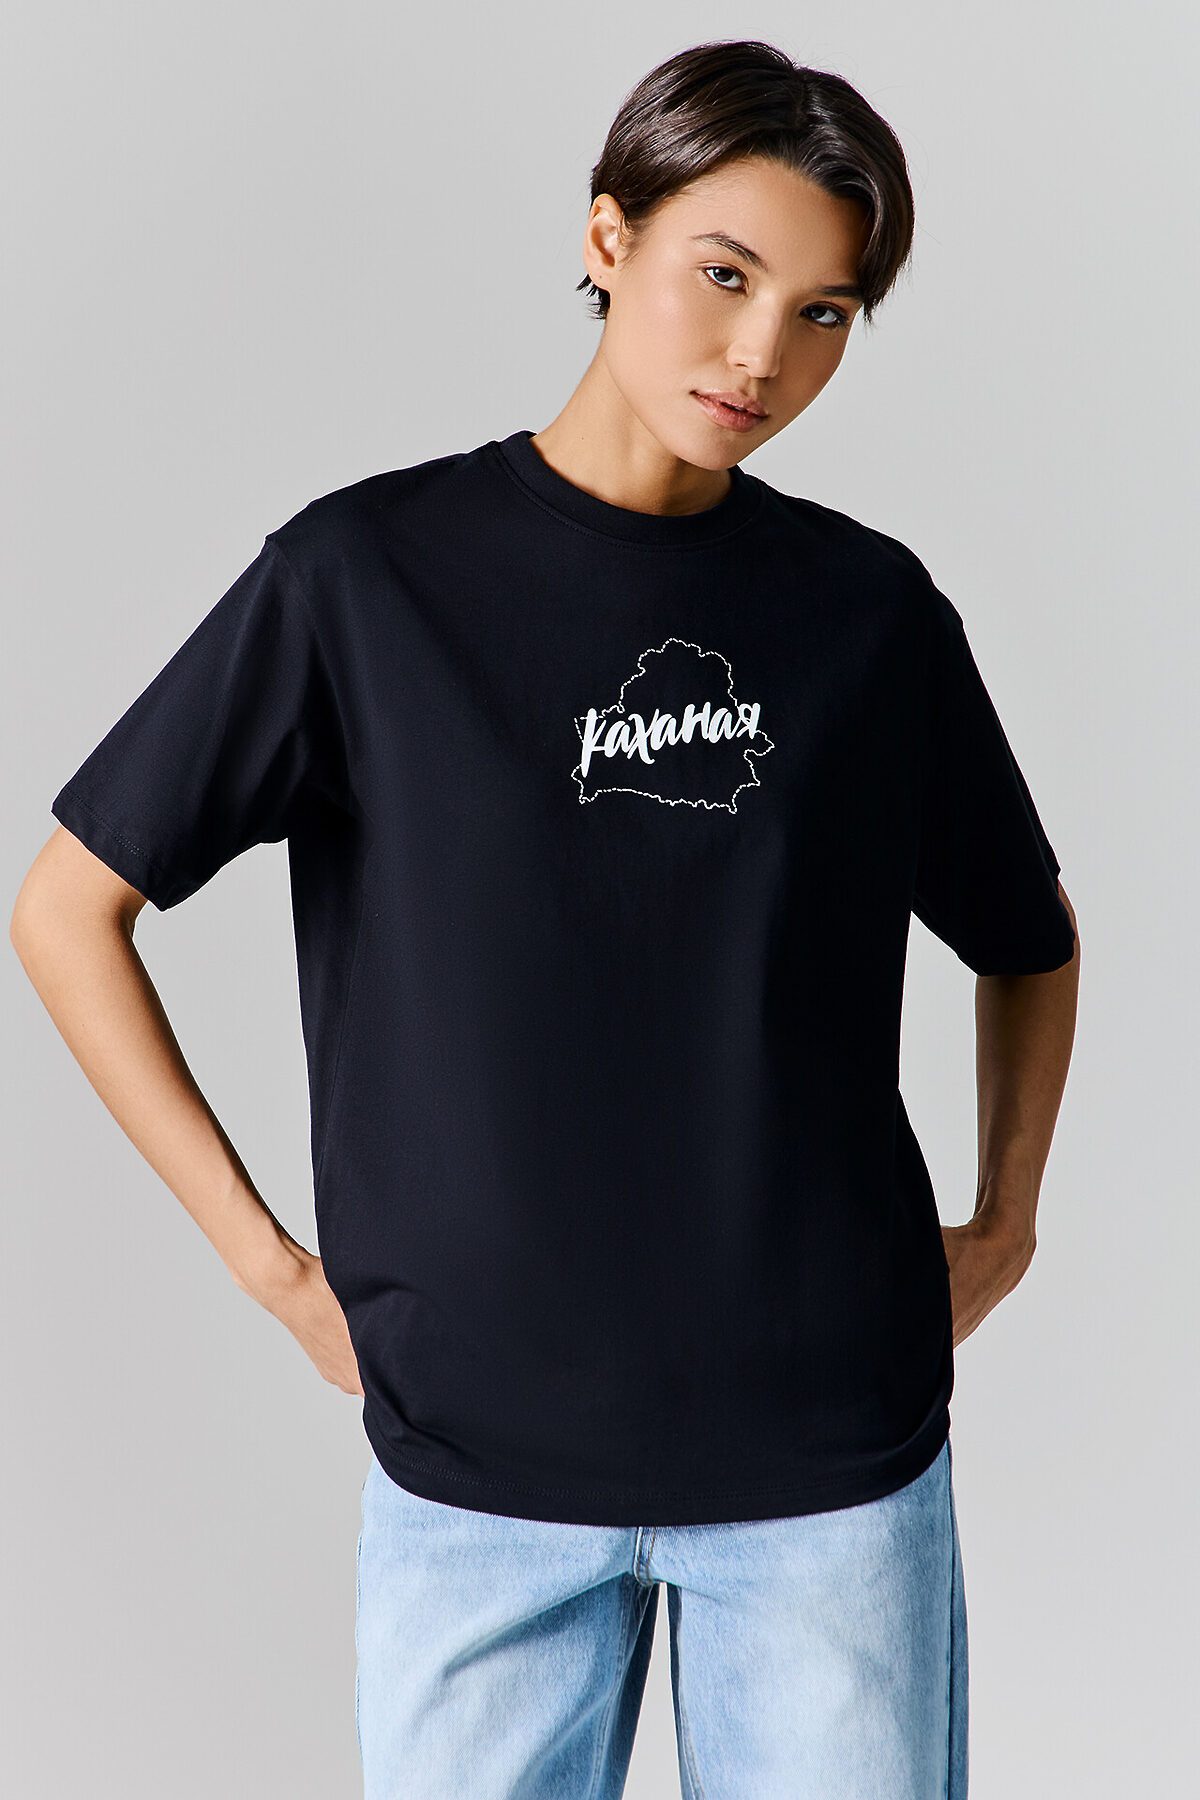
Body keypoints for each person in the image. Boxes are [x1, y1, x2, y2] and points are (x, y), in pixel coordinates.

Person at [10, 37, 1079, 1800]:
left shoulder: (869, 615)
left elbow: (1026, 936)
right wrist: (273, 1272)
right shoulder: (365, 581)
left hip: (827, 1460)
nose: (762, 353)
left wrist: (1009, 1218)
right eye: (723, 275)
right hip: (475, 1471)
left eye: (822, 313)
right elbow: (70, 908)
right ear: (607, 235)